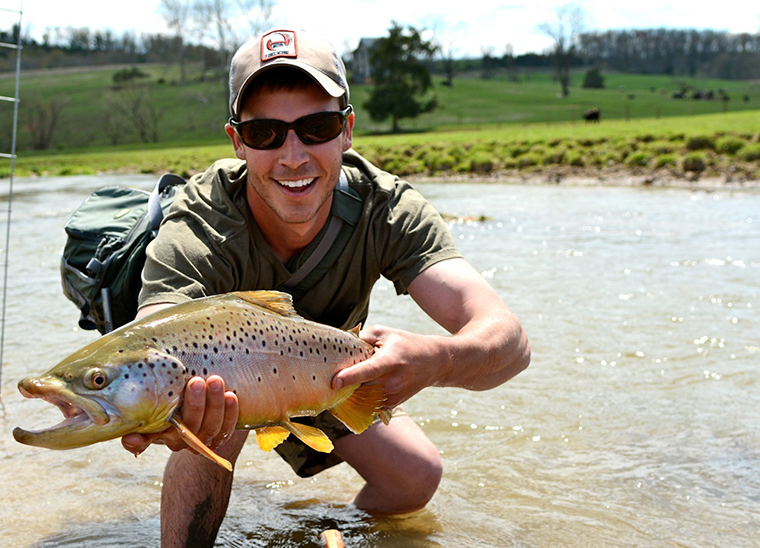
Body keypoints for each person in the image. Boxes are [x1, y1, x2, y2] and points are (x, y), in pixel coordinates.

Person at [120, 27, 530, 548]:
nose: (293, 156)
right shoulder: (202, 218)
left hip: (325, 375)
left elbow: (509, 342)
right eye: (266, 133)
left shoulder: (388, 209)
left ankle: (320, 538)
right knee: (210, 427)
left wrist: (437, 360)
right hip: (226, 380)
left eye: (316, 127)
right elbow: (153, 332)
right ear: (237, 141)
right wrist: (158, 405)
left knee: (416, 476)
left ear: (347, 131)